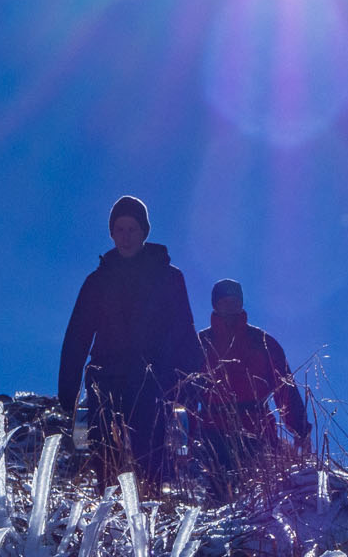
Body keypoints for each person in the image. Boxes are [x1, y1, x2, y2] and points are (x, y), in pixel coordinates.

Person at [56, 195, 204, 488]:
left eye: (132, 229)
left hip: (152, 380)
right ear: (111, 233)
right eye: (119, 229)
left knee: (151, 456)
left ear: (144, 232)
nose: (125, 237)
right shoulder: (96, 282)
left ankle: (150, 517)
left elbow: (184, 329)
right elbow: (77, 335)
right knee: (105, 457)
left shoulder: (169, 278)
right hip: (105, 379)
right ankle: (108, 518)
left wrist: (191, 382)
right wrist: (68, 389)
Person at [195, 279, 310, 493]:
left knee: (261, 498)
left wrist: (300, 430)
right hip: (212, 434)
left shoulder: (263, 342)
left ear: (241, 304)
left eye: (234, 301)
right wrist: (186, 438)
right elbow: (187, 396)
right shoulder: (200, 344)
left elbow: (285, 389)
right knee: (215, 500)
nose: (229, 307)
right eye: (224, 302)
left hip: (257, 431)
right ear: (215, 305)